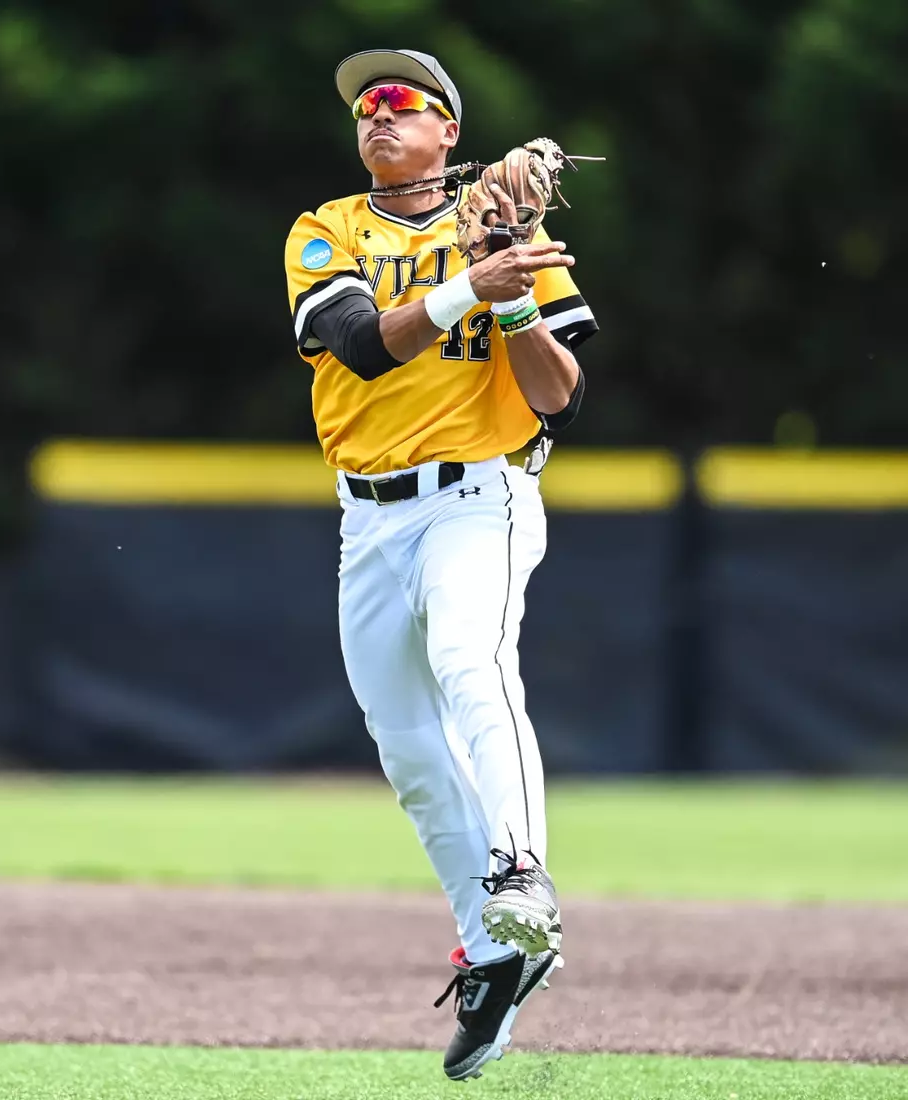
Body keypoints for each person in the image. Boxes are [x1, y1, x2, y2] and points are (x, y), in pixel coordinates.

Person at [282, 48, 599, 1080]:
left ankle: (522, 873)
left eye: (401, 103)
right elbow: (361, 343)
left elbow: (557, 392)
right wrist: (475, 281)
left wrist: (512, 285)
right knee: (409, 748)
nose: (377, 115)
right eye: (365, 106)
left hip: (480, 494)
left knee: (472, 660)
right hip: (367, 518)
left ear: (448, 133)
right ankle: (496, 951)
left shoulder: (515, 237)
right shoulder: (327, 228)